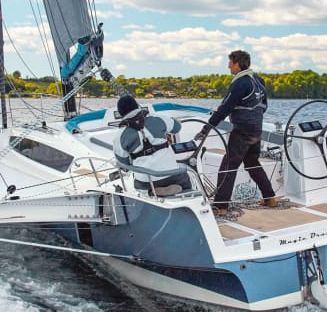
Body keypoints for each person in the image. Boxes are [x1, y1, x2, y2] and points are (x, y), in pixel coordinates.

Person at [196, 50, 277, 215]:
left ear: (237, 63)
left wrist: (208, 127)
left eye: (230, 63)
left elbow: (225, 107)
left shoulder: (240, 83)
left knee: (228, 166)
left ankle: (221, 206)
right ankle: (269, 197)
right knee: (252, 163)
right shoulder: (259, 81)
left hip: (242, 130)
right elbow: (264, 106)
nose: (228, 66)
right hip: (256, 128)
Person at [113, 94, 191, 196]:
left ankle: (150, 192)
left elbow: (124, 163)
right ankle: (182, 190)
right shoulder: (158, 118)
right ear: (137, 106)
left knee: (138, 182)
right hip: (171, 175)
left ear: (120, 113)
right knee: (185, 176)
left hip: (147, 181)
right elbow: (177, 128)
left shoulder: (119, 136)